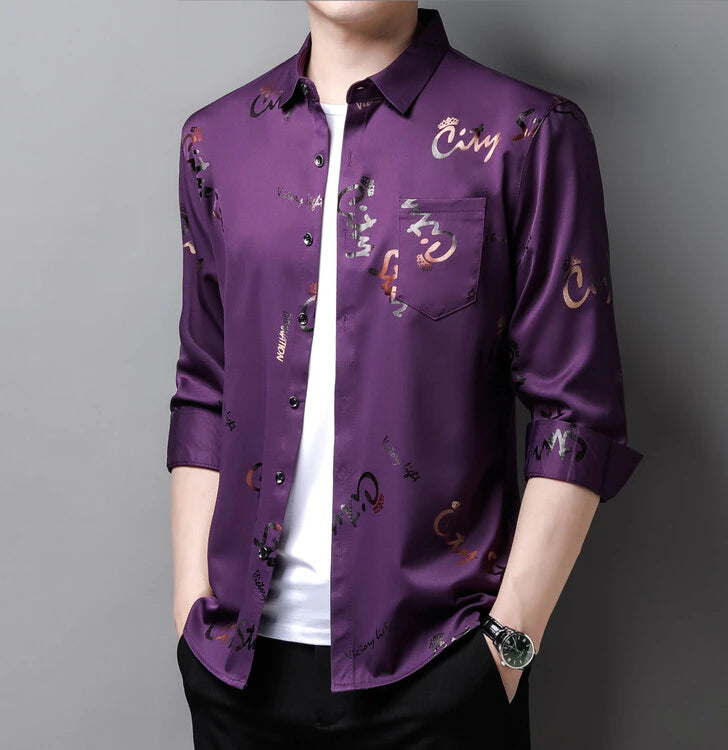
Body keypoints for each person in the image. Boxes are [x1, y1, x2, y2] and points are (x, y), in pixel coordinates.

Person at [167, 2, 644, 748]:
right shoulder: (216, 141)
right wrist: (190, 610)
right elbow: (205, 386)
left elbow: (576, 416)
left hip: (443, 670)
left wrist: (506, 648)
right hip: (239, 674)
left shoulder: (526, 134)